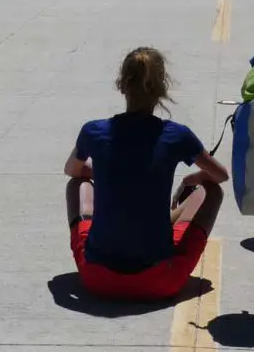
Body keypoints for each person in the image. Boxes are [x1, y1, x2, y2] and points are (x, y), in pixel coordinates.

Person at [64, 46, 228, 301]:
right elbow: (220, 175)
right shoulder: (176, 135)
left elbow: (71, 170)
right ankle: (168, 222)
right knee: (211, 191)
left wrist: (108, 173)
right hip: (159, 281)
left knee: (77, 184)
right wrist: (194, 177)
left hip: (98, 279)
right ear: (161, 89)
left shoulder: (94, 131)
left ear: (122, 85)